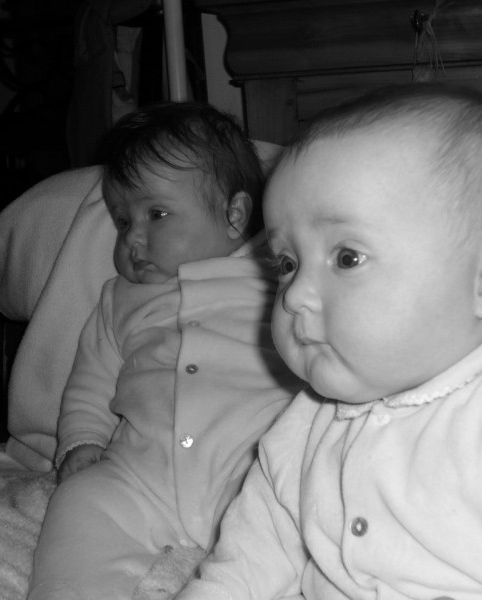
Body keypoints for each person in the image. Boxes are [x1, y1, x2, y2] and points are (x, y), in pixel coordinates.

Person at [175, 84, 482, 600]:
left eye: (347, 258)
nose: (294, 295)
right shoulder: (309, 423)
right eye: (287, 263)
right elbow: (250, 558)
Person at [27, 101, 303, 600]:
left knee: (298, 515)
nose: (133, 237)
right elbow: (91, 379)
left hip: (248, 464)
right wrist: (81, 441)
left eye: (156, 214)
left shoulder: (274, 277)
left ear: (235, 215)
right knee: (81, 502)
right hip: (140, 472)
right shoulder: (119, 299)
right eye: (121, 221)